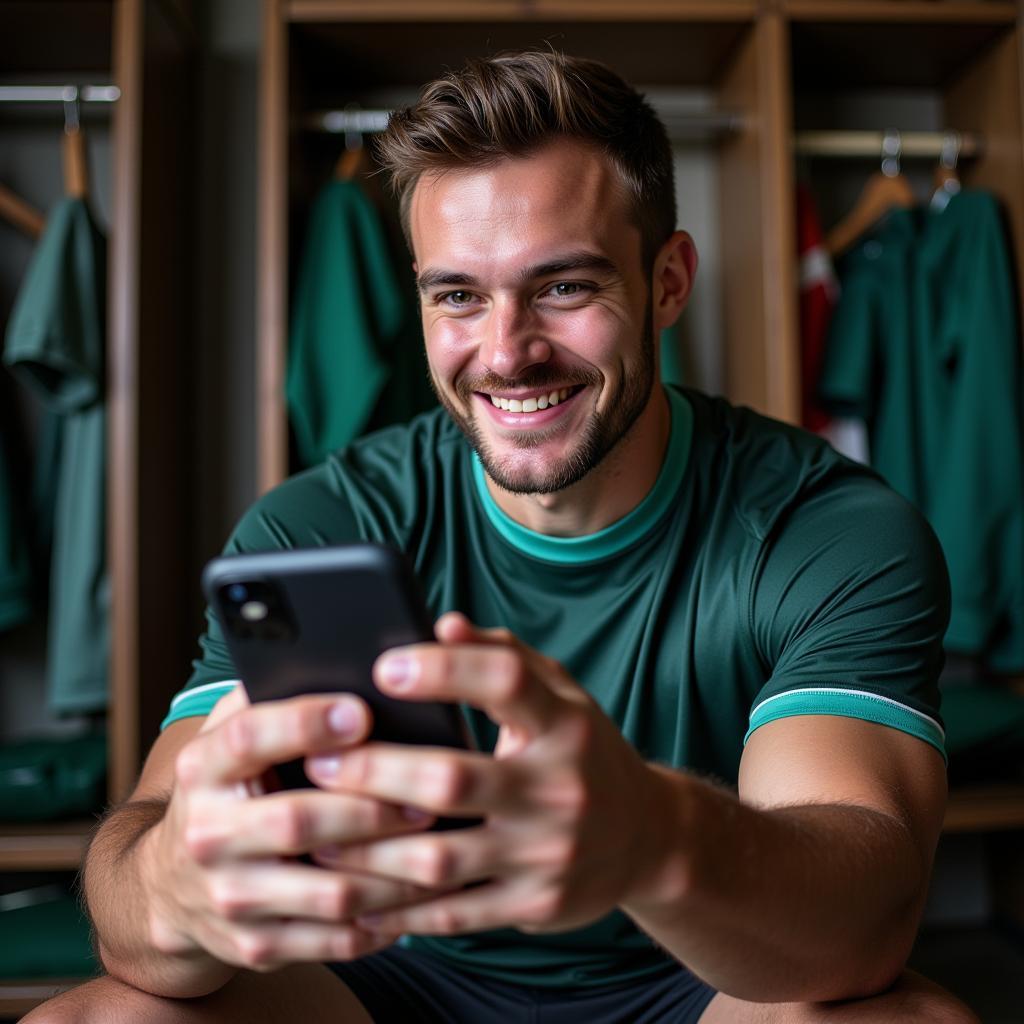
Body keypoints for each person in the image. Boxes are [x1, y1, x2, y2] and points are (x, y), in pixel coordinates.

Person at [30, 51, 978, 1023]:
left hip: (702, 985)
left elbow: (864, 922)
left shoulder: (827, 531)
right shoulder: (319, 526)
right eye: (458, 296)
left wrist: (649, 834)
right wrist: (176, 886)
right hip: (387, 980)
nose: (504, 350)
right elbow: (129, 897)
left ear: (667, 282)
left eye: (562, 287)